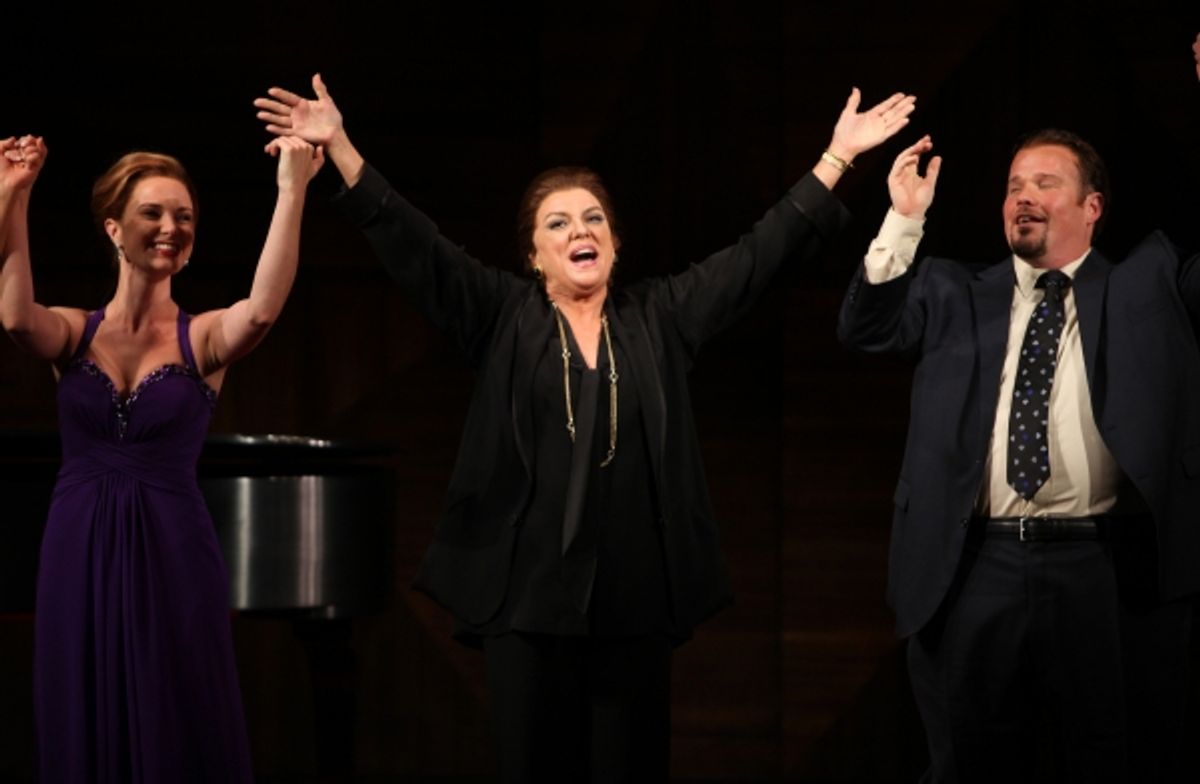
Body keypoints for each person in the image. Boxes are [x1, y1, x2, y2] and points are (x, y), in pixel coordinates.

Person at [254, 74, 914, 782]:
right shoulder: (503, 315)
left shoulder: (660, 317)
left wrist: (837, 158)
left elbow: (760, 251)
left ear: (616, 244)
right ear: (534, 255)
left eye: (594, 219)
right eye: (560, 223)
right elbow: (416, 244)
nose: (581, 231)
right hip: (527, 603)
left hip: (633, 601)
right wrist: (343, 149)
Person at [837, 39, 1200, 784]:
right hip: (977, 567)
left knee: (1109, 761)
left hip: (1102, 567)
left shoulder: (1148, 279)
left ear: (1092, 208)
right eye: (1012, 184)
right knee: (969, 764)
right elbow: (865, 329)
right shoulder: (949, 291)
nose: (1022, 195)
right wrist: (904, 219)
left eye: (1045, 181)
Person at [0, 133, 323, 780]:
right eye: (153, 213)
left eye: (184, 217)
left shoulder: (199, 335)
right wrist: (13, 197)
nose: (171, 227)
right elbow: (13, 318)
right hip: (78, 540)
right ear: (114, 228)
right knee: (79, 694)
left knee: (174, 702)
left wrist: (292, 191)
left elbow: (260, 312)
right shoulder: (75, 331)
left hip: (173, 546)